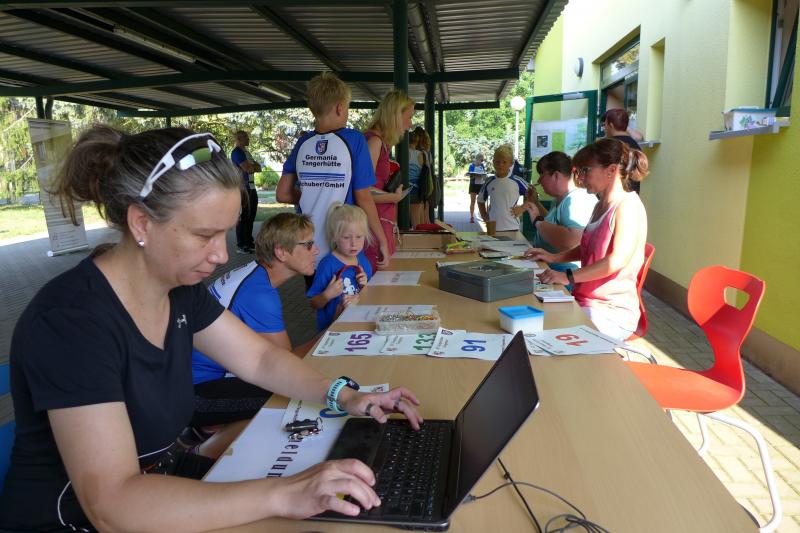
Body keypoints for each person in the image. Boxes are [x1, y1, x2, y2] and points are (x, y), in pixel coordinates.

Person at [0, 126, 423, 532]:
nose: (222, 254)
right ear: (141, 223)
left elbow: (260, 359)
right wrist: (282, 494)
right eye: (205, 235)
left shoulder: (179, 290)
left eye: (225, 232)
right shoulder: (71, 322)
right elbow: (113, 507)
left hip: (163, 479)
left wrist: (346, 396)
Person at [187, 212, 321, 443]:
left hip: (187, 381)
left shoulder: (253, 274)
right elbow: (286, 364)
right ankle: (206, 448)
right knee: (287, 391)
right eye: (308, 245)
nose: (316, 250)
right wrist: (330, 331)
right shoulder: (260, 295)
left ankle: (206, 431)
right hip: (195, 393)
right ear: (281, 252)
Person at [525, 138, 649, 340]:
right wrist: (553, 257)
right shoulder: (600, 205)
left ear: (611, 170)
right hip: (586, 302)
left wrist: (567, 277)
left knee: (545, 333)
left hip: (611, 311)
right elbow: (586, 247)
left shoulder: (627, 206)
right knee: (532, 319)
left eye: (586, 170)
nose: (580, 177)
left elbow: (616, 261)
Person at [277, 72, 390, 270]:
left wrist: (313, 194)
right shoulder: (354, 140)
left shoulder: (303, 143)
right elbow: (363, 197)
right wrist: (382, 239)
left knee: (317, 289)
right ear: (340, 107)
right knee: (348, 288)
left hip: (308, 245)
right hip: (343, 246)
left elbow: (282, 194)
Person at [515, 151, 597, 272]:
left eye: (542, 174)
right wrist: (536, 204)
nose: (539, 180)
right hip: (552, 270)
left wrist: (537, 220)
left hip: (566, 275)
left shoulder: (576, 199)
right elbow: (555, 222)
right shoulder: (561, 199)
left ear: (556, 176)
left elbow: (571, 241)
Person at [362, 90, 415, 271]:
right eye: (409, 117)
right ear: (395, 116)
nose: (410, 124)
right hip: (372, 224)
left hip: (380, 221)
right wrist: (394, 197)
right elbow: (363, 190)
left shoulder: (380, 142)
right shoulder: (374, 142)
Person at [307, 203, 373, 331]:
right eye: (346, 237)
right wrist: (327, 295)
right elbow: (314, 303)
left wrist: (364, 287)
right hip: (333, 330)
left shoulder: (363, 261)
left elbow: (369, 297)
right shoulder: (327, 265)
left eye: (359, 237)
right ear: (334, 237)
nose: (354, 243)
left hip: (359, 325)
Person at [477, 144, 529, 233]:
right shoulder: (489, 181)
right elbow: (480, 200)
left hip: (512, 226)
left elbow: (533, 196)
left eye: (504, 162)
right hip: (493, 227)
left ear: (511, 163)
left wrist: (522, 208)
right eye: (497, 162)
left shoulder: (517, 181)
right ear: (493, 162)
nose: (500, 165)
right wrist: (484, 216)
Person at [231, 130, 261, 254]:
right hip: (243, 188)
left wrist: (253, 166)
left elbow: (258, 167)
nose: (248, 139)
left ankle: (249, 242)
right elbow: (249, 169)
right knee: (244, 217)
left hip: (251, 187)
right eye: (246, 137)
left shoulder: (246, 152)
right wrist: (252, 166)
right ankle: (241, 245)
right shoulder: (237, 152)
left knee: (251, 216)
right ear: (239, 139)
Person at [601, 108, 641, 194]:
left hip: (611, 194)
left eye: (605, 125)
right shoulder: (635, 145)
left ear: (611, 125)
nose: (604, 128)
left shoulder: (607, 145)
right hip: (632, 194)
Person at [408, 126, 432, 227]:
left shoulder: (403, 154)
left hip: (404, 189)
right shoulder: (423, 154)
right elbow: (428, 169)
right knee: (417, 222)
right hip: (418, 189)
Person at [467, 153, 486, 223]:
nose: (481, 162)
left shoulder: (482, 165)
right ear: (477, 159)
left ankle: (483, 216)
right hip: (473, 185)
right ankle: (471, 216)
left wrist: (483, 176)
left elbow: (484, 174)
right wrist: (474, 175)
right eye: (481, 160)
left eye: (482, 161)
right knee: (473, 201)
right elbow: (470, 175)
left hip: (481, 185)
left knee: (481, 201)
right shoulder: (471, 166)